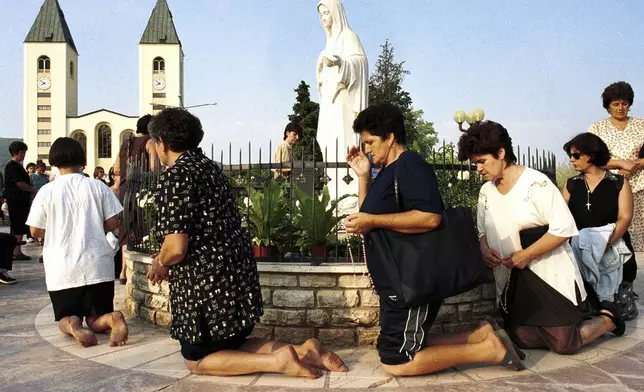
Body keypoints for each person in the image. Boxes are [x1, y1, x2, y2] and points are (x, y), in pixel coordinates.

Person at [145, 108, 347, 378]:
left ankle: (280, 362)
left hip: (205, 283)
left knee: (197, 359)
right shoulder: (211, 169)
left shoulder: (176, 175)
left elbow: (177, 247)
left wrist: (160, 260)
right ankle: (303, 350)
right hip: (234, 272)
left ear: (162, 143)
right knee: (234, 343)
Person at [344, 103, 523, 377]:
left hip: (412, 279)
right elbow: (366, 217)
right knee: (393, 344)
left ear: (390, 137)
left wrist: (373, 220)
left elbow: (430, 218)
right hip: (396, 281)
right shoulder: (385, 172)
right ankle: (480, 336)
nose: (366, 148)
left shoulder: (410, 165)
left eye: (370, 141)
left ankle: (490, 350)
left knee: (395, 360)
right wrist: (363, 176)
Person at [457, 121, 624, 356]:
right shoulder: (486, 191)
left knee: (564, 343)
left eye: (482, 161)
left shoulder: (536, 183)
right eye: (475, 164)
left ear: (501, 153)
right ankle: (547, 326)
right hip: (513, 278)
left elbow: (563, 229)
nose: (479, 169)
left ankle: (607, 318)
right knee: (521, 337)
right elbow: (482, 230)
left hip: (547, 275)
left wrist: (526, 254)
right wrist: (485, 250)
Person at [26, 137, 128, 348]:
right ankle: (112, 319)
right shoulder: (97, 186)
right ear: (82, 159)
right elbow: (113, 222)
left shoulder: (47, 191)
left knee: (67, 316)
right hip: (96, 263)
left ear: (54, 160)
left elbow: (35, 230)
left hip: (62, 266)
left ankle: (73, 325)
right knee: (96, 317)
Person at [562, 133, 636, 319]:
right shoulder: (571, 185)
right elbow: (562, 217)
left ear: (592, 155)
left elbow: (625, 218)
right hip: (582, 251)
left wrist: (603, 244)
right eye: (570, 156)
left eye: (576, 155)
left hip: (612, 246)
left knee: (621, 312)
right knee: (588, 313)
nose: (572, 160)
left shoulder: (619, 183)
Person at [588, 82, 644, 252]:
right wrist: (619, 164)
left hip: (640, 186)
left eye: (624, 103)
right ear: (608, 106)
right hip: (611, 187)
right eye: (615, 104)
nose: (620, 108)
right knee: (615, 237)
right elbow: (590, 158)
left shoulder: (642, 125)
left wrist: (632, 167)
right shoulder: (597, 128)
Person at [112, 114, 158, 284]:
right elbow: (154, 168)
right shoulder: (150, 142)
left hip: (125, 190)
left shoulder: (125, 144)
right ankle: (131, 271)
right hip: (142, 191)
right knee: (140, 228)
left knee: (126, 229)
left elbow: (116, 168)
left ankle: (124, 271)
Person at [3, 141, 36, 261]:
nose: (24, 155)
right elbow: (19, 183)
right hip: (16, 200)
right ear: (15, 153)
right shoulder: (13, 166)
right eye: (22, 153)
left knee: (20, 225)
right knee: (17, 226)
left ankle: (17, 251)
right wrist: (33, 190)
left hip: (21, 200)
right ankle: (15, 252)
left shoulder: (17, 166)